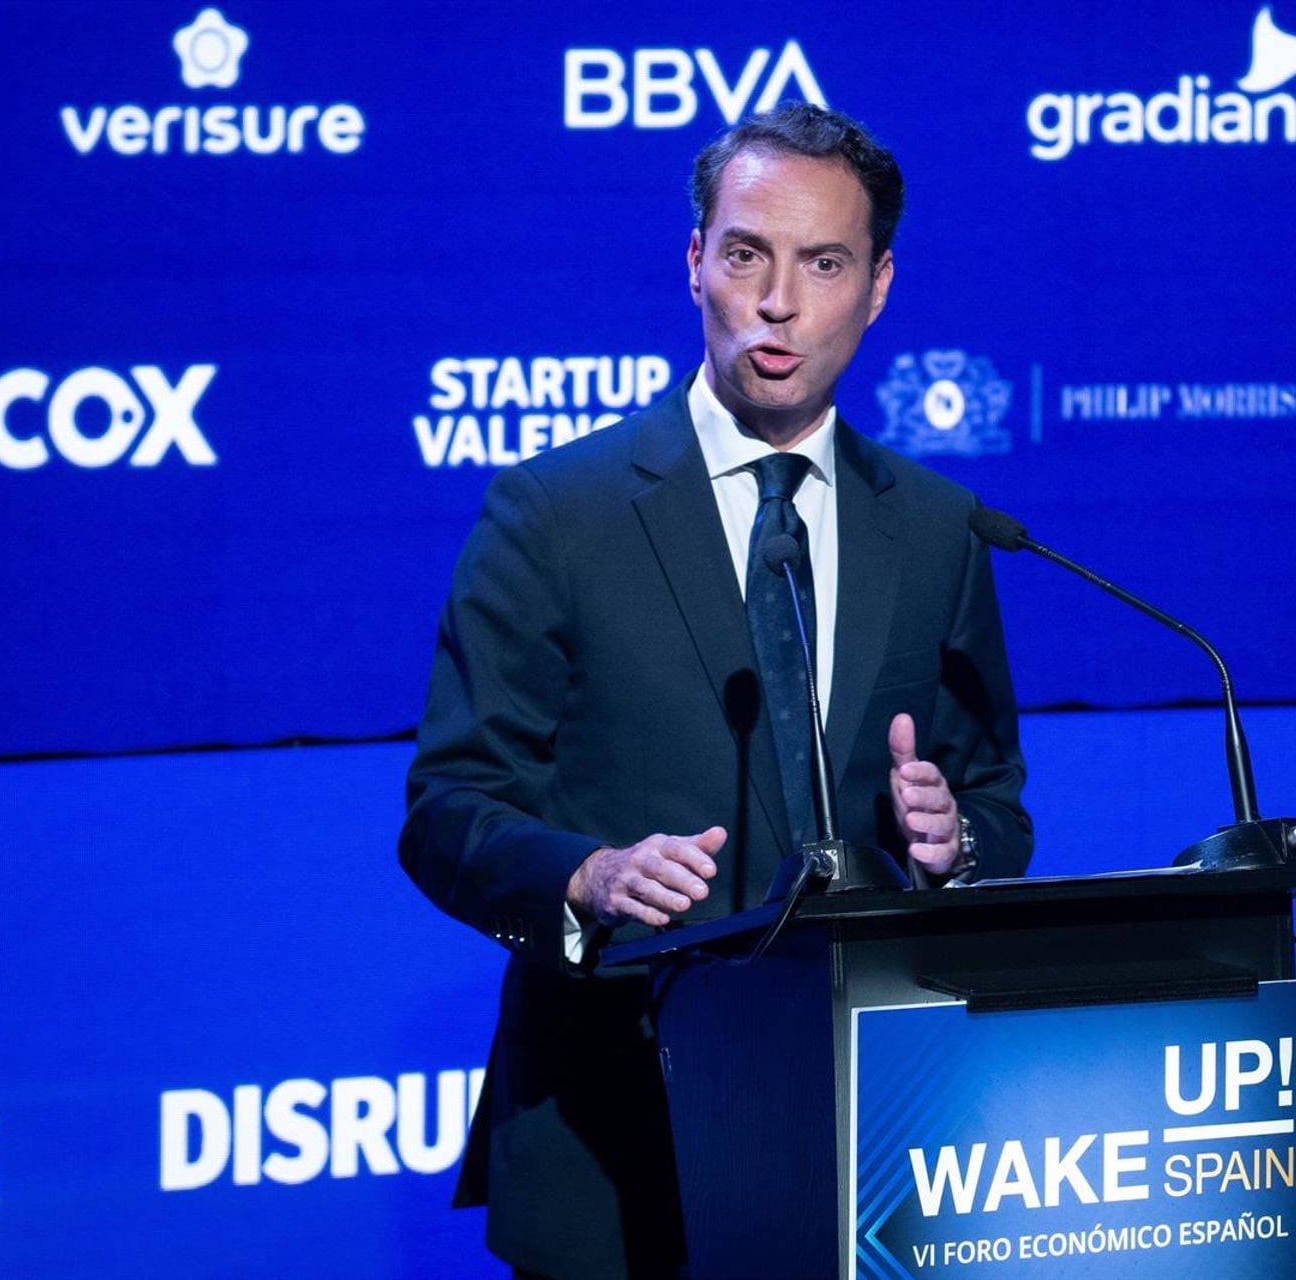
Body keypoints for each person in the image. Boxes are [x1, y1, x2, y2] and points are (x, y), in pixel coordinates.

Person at [399, 103, 1033, 1279]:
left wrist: (957, 841)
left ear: (879, 287)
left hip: (870, 1145)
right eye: (747, 253)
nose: (778, 301)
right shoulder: (557, 513)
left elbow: (992, 793)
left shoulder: (940, 529)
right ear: (695, 260)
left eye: (824, 263)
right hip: (614, 1144)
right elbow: (449, 807)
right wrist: (585, 876)